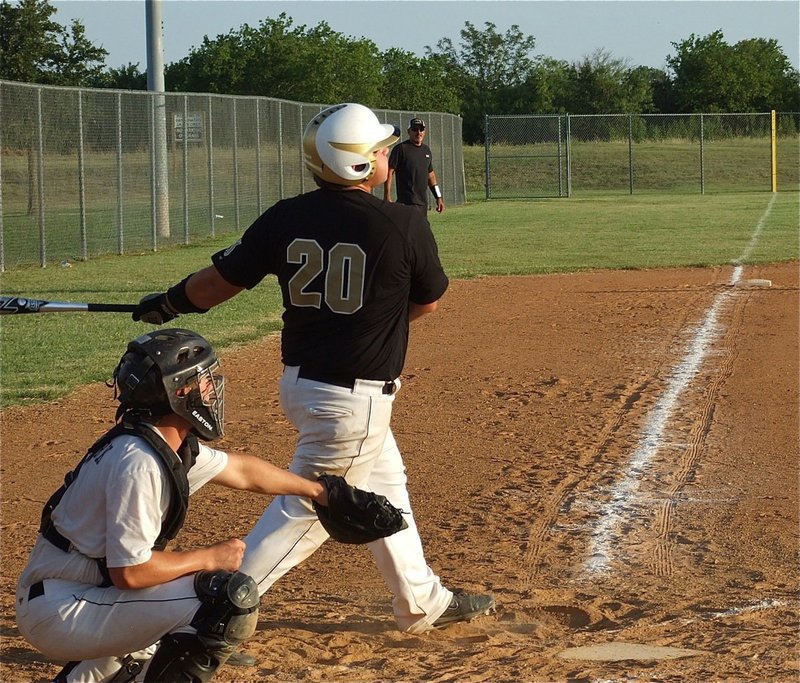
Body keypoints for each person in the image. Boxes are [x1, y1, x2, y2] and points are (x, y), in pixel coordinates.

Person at [130, 102, 495, 635]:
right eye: (377, 149)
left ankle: (422, 600)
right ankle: (193, 619)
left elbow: (216, 284)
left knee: (384, 488)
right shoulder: (402, 223)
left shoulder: (287, 215)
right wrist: (382, 322)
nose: (385, 154)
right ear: (357, 165)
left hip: (304, 387)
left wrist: (167, 301)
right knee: (306, 514)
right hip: (354, 399)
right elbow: (428, 301)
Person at [15, 328, 328, 682]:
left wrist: (318, 491)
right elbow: (130, 572)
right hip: (63, 609)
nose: (212, 388)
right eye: (205, 380)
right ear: (180, 391)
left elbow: (242, 471)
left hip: (78, 595)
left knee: (176, 619)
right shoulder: (139, 463)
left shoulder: (162, 444)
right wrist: (209, 558)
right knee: (222, 601)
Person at [383, 116, 445, 214]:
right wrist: (387, 195)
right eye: (415, 129)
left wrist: (438, 197)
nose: (418, 132)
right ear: (409, 131)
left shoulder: (426, 150)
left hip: (422, 205)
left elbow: (431, 176)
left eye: (421, 129)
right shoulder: (401, 149)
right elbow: (389, 172)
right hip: (406, 204)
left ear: (425, 131)